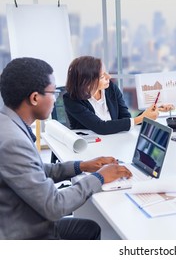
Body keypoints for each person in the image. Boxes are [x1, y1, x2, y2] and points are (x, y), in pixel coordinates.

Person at [0, 57, 132, 240]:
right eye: (53, 92)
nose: (56, 100)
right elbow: (55, 206)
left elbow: (36, 169)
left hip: (20, 219)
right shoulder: (13, 142)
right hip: (25, 234)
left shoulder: (7, 123)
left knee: (91, 229)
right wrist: (100, 177)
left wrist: (82, 166)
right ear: (35, 98)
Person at [63, 56, 174, 135]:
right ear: (87, 82)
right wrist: (142, 118)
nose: (109, 77)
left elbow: (126, 119)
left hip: (116, 140)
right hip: (90, 147)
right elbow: (100, 127)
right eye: (102, 76)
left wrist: (152, 111)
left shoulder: (110, 88)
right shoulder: (71, 99)